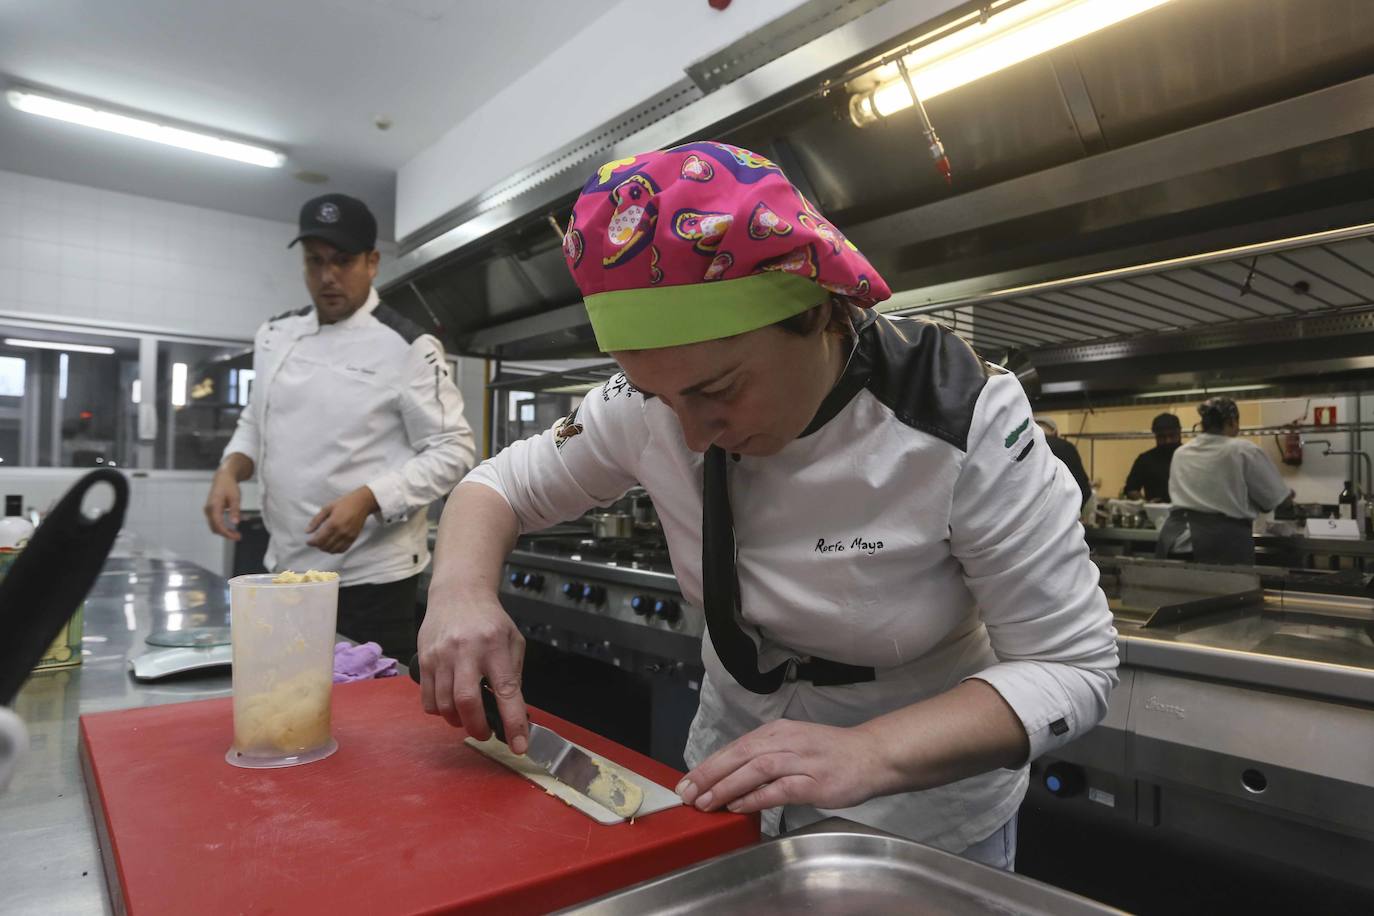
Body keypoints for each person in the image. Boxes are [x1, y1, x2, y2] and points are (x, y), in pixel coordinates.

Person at [418, 143, 1117, 869]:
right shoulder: (643, 408)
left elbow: (1073, 664)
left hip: (917, 818)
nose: (692, 434)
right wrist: (461, 590)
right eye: (662, 397)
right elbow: (494, 487)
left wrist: (874, 751)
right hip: (729, 789)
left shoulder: (958, 416)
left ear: (816, 311)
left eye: (718, 392)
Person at [205, 193, 475, 661]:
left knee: (365, 719)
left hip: (370, 580)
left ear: (372, 263)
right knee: (286, 703)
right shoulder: (274, 335)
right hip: (284, 568)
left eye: (343, 261)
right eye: (316, 262)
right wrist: (229, 470)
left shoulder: (407, 345)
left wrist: (368, 499)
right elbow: (257, 418)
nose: (328, 276)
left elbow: (454, 450)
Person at [1164, 397, 1291, 565]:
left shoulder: (1181, 453)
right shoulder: (1243, 450)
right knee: (1230, 591)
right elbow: (1274, 500)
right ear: (1232, 422)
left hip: (1175, 539)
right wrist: (1288, 499)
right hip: (1220, 543)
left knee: (1175, 590)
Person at [1124, 413, 1181, 501]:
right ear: (1155, 435)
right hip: (1155, 513)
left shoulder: (1190, 457)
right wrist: (1146, 505)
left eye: (1172, 435)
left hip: (1189, 512)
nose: (1167, 441)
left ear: (1179, 432)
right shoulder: (1145, 460)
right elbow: (1131, 489)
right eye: (1162, 437)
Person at [1034, 417, 1091, 507]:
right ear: (1055, 432)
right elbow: (1084, 488)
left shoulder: (1025, 451)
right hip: (1065, 512)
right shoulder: (1067, 448)